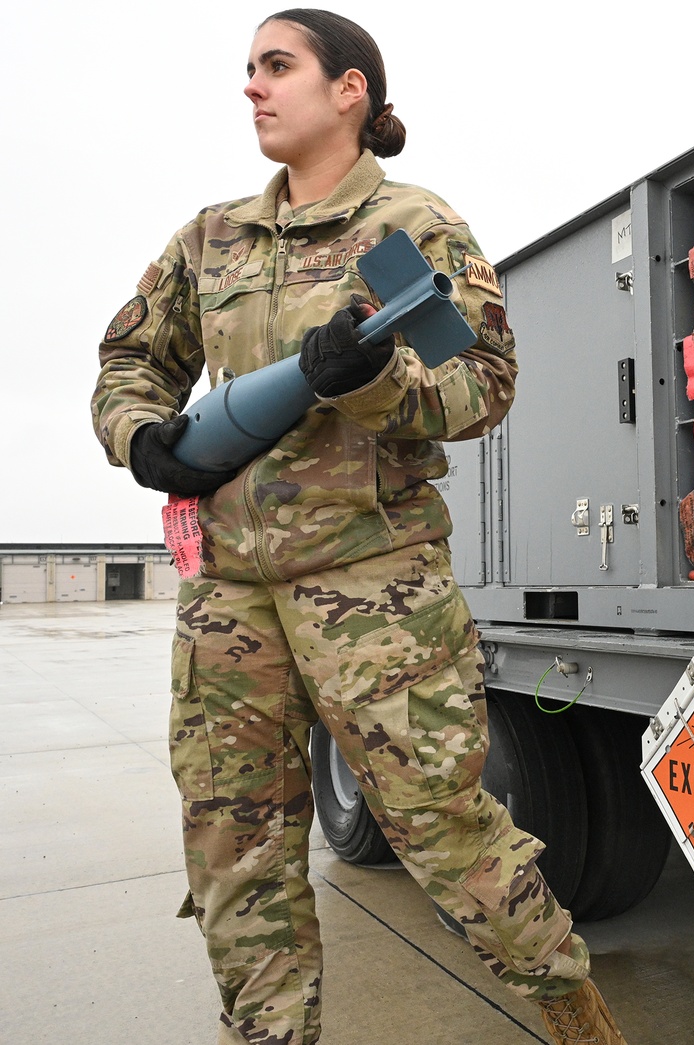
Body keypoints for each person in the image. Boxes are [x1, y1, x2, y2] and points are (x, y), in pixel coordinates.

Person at [92, 9, 629, 1045]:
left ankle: (577, 1019)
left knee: (443, 831)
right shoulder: (210, 240)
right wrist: (140, 434)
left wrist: (375, 379)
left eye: (276, 66)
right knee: (234, 845)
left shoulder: (408, 235)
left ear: (350, 91)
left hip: (374, 589)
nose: (252, 86)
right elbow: (128, 363)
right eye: (247, 69)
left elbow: (481, 386)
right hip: (229, 602)